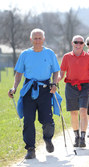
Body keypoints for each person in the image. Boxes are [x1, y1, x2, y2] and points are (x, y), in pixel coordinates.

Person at [8, 28, 60, 159]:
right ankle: (30, 149)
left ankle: (47, 139)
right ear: (31, 39)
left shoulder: (49, 53)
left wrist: (54, 84)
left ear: (43, 39)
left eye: (39, 38)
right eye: (35, 38)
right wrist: (14, 88)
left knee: (47, 120)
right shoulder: (25, 54)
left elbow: (56, 71)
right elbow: (19, 73)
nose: (37, 41)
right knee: (28, 121)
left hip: (45, 89)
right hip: (29, 90)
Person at [58, 35, 89, 148]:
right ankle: (76, 136)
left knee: (83, 111)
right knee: (73, 113)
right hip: (71, 86)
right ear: (72, 43)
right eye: (76, 42)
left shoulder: (88, 57)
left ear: (83, 44)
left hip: (85, 86)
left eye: (81, 42)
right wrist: (57, 79)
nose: (78, 44)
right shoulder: (66, 57)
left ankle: (83, 138)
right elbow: (61, 73)